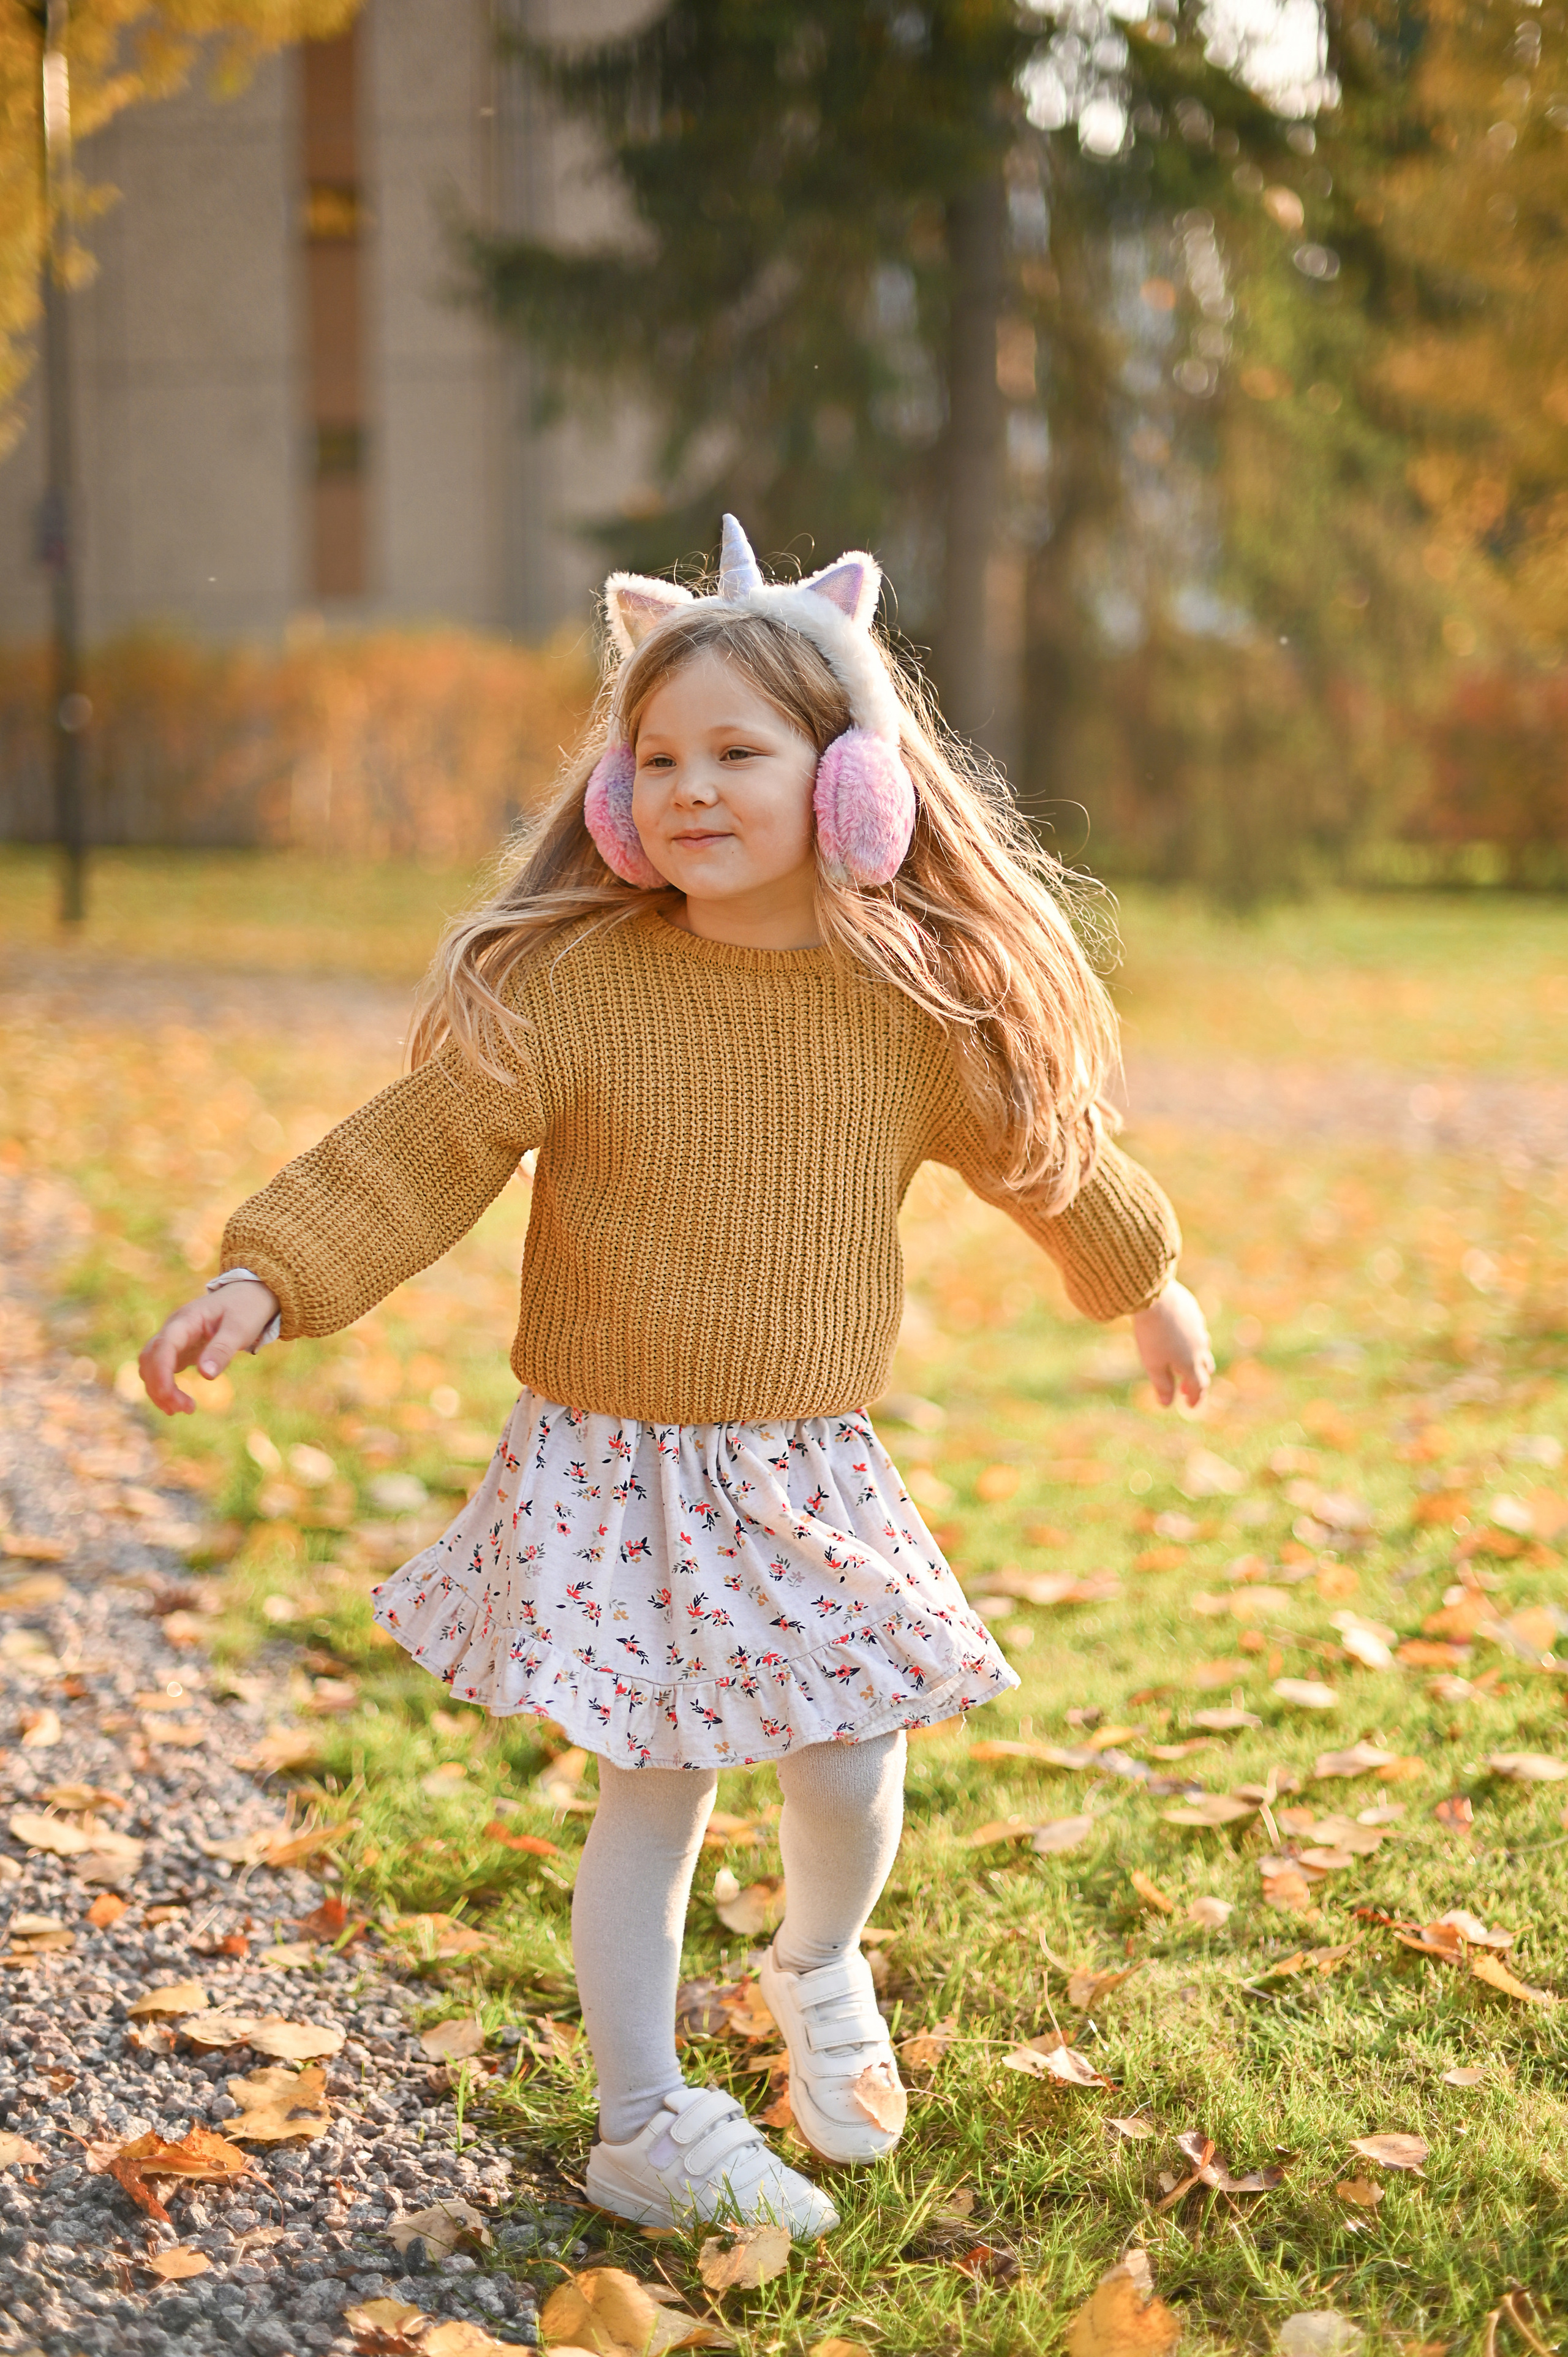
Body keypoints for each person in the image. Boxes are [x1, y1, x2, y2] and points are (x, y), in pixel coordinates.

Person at [140, 516, 1212, 2240]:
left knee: (855, 1758)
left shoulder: (903, 1004)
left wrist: (1144, 1284)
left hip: (807, 1463)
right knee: (656, 1798)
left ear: (854, 783)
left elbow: (1042, 1155)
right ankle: (642, 2119)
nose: (693, 787)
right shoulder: (579, 989)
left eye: (740, 751)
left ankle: (817, 1963)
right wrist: (272, 1271)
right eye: (659, 757)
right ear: (618, 795)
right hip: (617, 1461)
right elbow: (423, 1153)